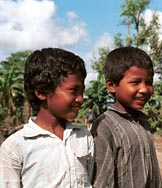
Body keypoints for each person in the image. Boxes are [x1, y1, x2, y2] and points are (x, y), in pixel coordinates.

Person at [0, 48, 94, 187]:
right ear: (41, 92)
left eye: (82, 92)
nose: (80, 99)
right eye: (73, 91)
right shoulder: (15, 147)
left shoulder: (83, 137)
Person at [91, 46, 162, 188]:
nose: (144, 89)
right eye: (135, 83)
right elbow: (102, 181)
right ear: (111, 85)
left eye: (149, 82)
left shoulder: (142, 121)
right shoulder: (105, 126)